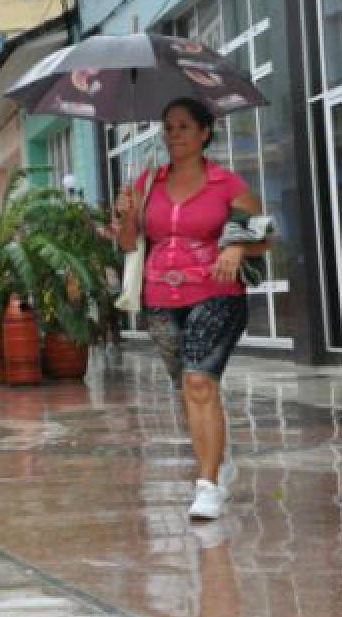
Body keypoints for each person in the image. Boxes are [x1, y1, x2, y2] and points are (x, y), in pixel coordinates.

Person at [116, 97, 270, 520]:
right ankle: (218, 457)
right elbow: (129, 245)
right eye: (168, 127)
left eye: (184, 127)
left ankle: (208, 485)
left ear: (204, 133)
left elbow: (263, 237)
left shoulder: (228, 184)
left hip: (216, 292)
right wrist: (126, 215)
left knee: (200, 382)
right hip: (160, 300)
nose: (174, 134)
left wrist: (236, 246)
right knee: (189, 389)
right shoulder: (147, 183)